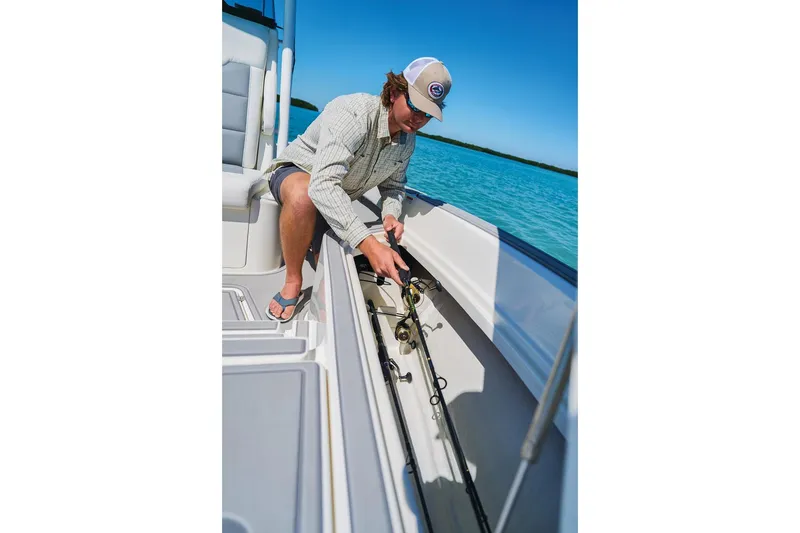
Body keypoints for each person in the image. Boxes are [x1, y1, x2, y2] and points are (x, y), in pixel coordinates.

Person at [263, 57, 453, 321]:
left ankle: (312, 240)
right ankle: (293, 281)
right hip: (298, 173)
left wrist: (390, 214)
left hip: (332, 194)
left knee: (336, 277)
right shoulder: (352, 113)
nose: (420, 119)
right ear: (396, 91)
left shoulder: (408, 140)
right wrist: (369, 244)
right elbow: (323, 184)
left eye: (428, 114)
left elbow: (394, 186)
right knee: (303, 195)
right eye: (416, 107)